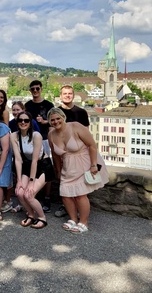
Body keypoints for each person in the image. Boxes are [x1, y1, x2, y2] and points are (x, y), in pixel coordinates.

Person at [47, 107, 109, 234]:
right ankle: (73, 219)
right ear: (49, 121)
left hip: (83, 163)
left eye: (58, 118)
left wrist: (93, 165)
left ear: (63, 117)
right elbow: (55, 155)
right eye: (52, 120)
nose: (56, 122)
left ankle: (84, 222)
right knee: (65, 193)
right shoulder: (51, 135)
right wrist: (58, 170)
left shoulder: (75, 126)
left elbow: (92, 145)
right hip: (67, 167)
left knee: (81, 194)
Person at [55, 85, 90, 219]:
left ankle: (82, 213)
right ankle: (68, 208)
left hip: (79, 153)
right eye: (65, 93)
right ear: (60, 95)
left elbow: (87, 135)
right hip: (63, 153)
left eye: (70, 93)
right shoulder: (56, 112)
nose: (67, 95)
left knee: (81, 186)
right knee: (66, 184)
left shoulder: (81, 112)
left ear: (73, 95)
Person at [11, 111, 49, 229]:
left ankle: (42, 218)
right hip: (27, 166)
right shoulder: (14, 136)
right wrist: (19, 180)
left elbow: (35, 160)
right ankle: (31, 214)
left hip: (42, 166)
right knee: (19, 192)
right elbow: (18, 159)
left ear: (30, 122)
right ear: (17, 122)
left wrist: (31, 182)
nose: (23, 122)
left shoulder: (36, 135)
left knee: (29, 194)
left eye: (26, 120)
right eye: (20, 120)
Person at [25, 80, 54, 212]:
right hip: (31, 140)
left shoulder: (49, 105)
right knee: (33, 168)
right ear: (30, 91)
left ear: (41, 89)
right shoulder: (27, 105)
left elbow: (55, 122)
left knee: (46, 169)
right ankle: (33, 196)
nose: (35, 91)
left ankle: (47, 198)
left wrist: (45, 121)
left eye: (37, 88)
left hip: (45, 139)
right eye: (33, 89)